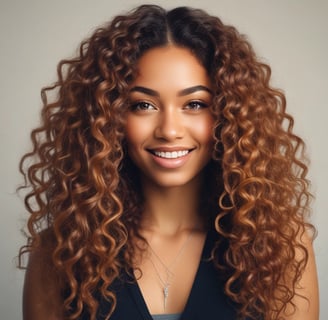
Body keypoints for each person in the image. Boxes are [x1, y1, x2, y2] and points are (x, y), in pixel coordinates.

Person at [18, 4, 319, 320]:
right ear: (108, 118)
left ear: (230, 115)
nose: (170, 130)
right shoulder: (61, 252)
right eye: (143, 105)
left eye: (194, 104)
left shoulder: (279, 246)